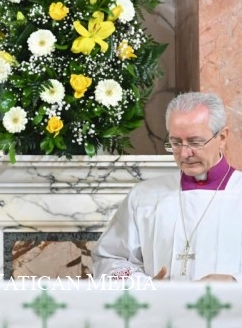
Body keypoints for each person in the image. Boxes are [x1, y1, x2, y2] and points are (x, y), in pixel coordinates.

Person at [93, 91, 241, 281]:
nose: (185, 153)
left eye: (195, 142)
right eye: (176, 143)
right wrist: (144, 285)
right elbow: (109, 259)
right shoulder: (144, 197)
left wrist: (234, 281)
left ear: (222, 138)